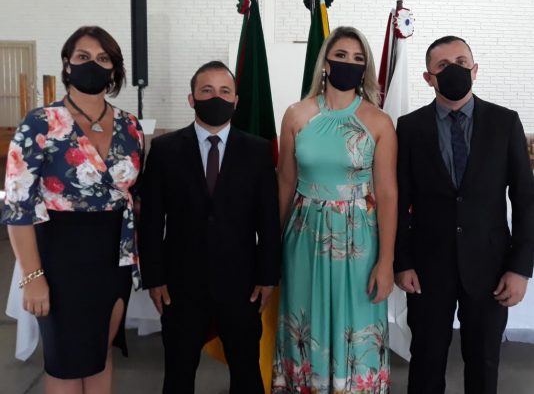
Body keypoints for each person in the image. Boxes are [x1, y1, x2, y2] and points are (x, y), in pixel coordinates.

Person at [1, 26, 144, 393]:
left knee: (100, 354)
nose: (92, 64)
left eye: (103, 58)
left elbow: (134, 192)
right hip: (60, 256)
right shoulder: (39, 123)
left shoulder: (130, 126)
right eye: (83, 57)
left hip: (114, 256)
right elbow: (17, 206)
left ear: (114, 69)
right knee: (65, 364)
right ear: (67, 65)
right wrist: (33, 277)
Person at [394, 35, 534, 394]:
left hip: (490, 269)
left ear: (475, 69)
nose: (453, 70)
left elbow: (525, 199)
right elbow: (400, 199)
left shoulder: (505, 122)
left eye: (460, 62)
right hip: (427, 269)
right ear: (429, 77)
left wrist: (520, 268)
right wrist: (402, 261)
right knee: (426, 363)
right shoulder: (409, 127)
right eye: (442, 65)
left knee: (484, 363)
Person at [138, 60, 281, 394]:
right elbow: (151, 220)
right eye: (207, 90)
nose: (216, 97)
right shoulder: (165, 150)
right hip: (180, 285)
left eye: (224, 91)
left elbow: (268, 220)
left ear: (236, 100)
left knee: (246, 373)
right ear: (192, 99)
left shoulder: (258, 151)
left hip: (242, 285)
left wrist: (268, 276)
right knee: (178, 374)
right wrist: (154, 278)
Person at [272, 26, 397, 393]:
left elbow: (387, 194)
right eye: (341, 55)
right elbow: (285, 182)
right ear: (325, 63)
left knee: (355, 322)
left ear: (365, 68)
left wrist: (386, 261)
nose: (349, 63)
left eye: (358, 58)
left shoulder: (378, 122)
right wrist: (271, 250)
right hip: (303, 239)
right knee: (305, 322)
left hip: (359, 243)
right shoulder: (297, 115)